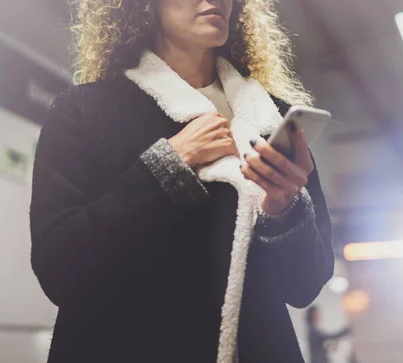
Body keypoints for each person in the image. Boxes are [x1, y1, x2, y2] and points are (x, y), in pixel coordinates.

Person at [29, 0, 334, 362]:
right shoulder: (84, 112)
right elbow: (58, 268)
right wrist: (167, 167)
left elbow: (304, 286)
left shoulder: (273, 119)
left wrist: (285, 210)